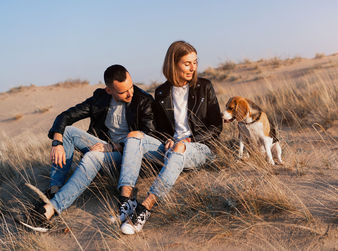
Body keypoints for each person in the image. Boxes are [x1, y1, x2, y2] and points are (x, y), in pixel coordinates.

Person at [19, 64, 157, 232]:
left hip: (127, 157)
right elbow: (65, 116)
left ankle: (49, 211)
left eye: (131, 86)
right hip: (102, 149)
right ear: (109, 90)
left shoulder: (143, 100)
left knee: (92, 157)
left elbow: (148, 137)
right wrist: (57, 143)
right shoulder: (100, 99)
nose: (130, 93)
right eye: (122, 92)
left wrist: (113, 146)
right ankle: (55, 190)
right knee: (68, 131)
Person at [117, 40, 223, 234]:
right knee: (133, 137)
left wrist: (189, 140)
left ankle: (145, 209)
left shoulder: (204, 87)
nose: (193, 67)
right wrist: (167, 138)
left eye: (195, 62)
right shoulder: (162, 92)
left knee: (180, 148)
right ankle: (126, 202)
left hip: (200, 147)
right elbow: (162, 128)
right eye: (187, 63)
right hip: (171, 147)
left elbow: (216, 126)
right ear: (173, 64)